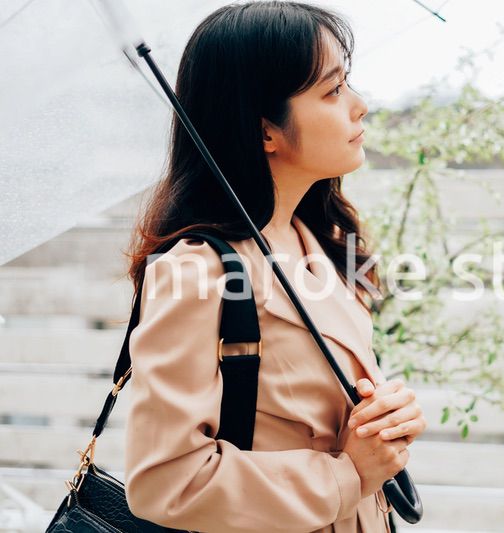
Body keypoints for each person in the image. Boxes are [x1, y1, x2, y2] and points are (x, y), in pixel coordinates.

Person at [122, 2, 427, 531]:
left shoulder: (320, 242)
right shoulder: (199, 271)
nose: (360, 107)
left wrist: (386, 420)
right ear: (266, 131)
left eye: (348, 84)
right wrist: (348, 472)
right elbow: (164, 481)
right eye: (332, 91)